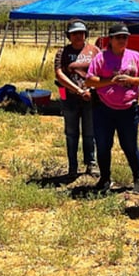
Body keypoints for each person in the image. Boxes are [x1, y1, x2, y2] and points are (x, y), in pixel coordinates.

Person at [85, 24, 139, 193]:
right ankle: (105, 179)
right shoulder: (101, 58)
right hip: (104, 109)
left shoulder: (135, 56)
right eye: (118, 37)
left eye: (125, 37)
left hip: (128, 109)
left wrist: (132, 80)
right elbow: (89, 81)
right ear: (111, 39)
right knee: (103, 145)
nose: (122, 40)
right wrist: (111, 81)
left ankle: (138, 179)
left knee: (129, 145)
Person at [54, 19, 100, 178]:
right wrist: (79, 90)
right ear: (69, 36)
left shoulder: (94, 50)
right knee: (71, 133)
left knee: (90, 132)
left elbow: (101, 72)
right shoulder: (63, 52)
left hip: (91, 97)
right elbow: (59, 74)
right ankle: (72, 166)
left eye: (80, 33)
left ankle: (91, 163)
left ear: (85, 34)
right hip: (71, 98)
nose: (78, 36)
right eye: (74, 34)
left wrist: (91, 89)